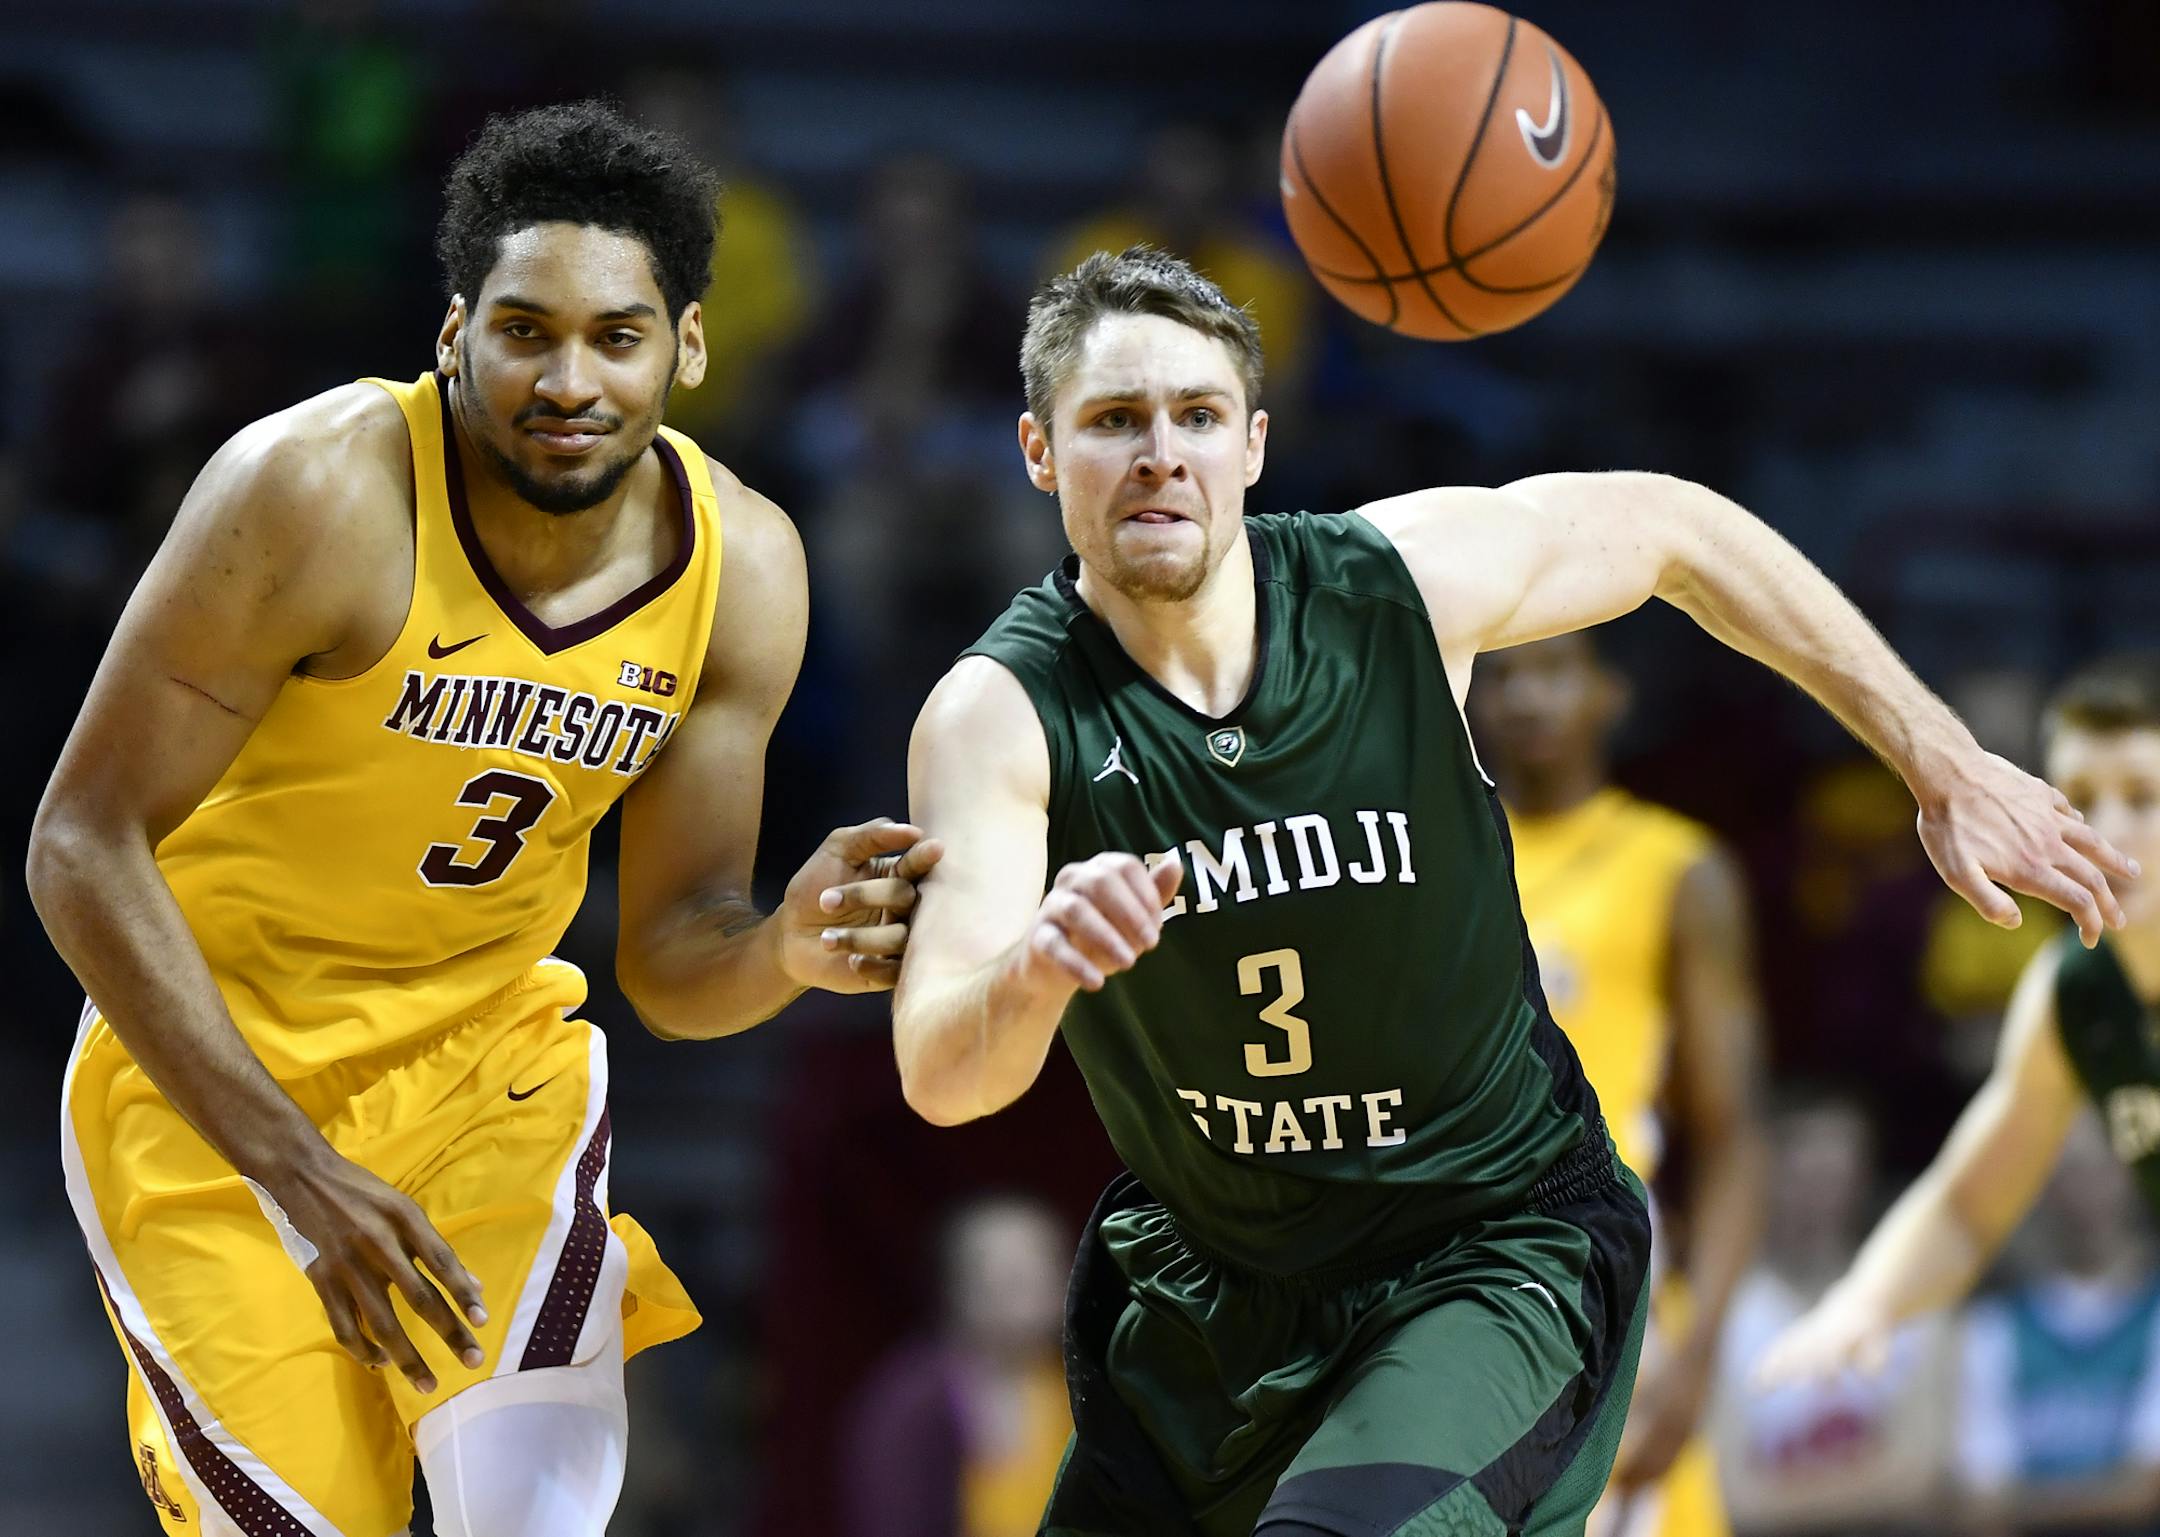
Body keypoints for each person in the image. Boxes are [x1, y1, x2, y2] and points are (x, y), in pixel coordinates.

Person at [889, 245, 2132, 1537]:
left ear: (1253, 444)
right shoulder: (1000, 715)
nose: (1161, 454)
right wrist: (1036, 964)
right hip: (1216, 1289)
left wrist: (1938, 758)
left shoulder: (1395, 587)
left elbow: (1676, 530)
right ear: (1039, 451)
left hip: (1486, 1251)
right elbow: (943, 1072)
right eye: (1113, 423)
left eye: (1195, 417)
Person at [27, 101, 937, 1537]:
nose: (567, 379)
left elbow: (677, 952)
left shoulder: (744, 566)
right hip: (211, 1085)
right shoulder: (316, 489)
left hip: (484, 1077)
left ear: (687, 346)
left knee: (532, 1515)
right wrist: (299, 1168)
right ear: (456, 332)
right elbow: (77, 843)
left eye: (616, 337)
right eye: (525, 330)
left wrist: (787, 950)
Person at [1757, 656, 2160, 1402]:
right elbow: (1971, 1203)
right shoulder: (2072, 987)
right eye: (2078, 799)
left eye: (2142, 796)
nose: (2107, 829)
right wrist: (1864, 1303)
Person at [1472, 634, 1770, 1537]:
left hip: (1611, 1282)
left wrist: (1701, 1351)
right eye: (1502, 675)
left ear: (1612, 692)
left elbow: (1734, 1135)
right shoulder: (1432, 862)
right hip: (1463, 1285)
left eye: (1556, 670)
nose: (1528, 698)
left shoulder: (1677, 867)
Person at [1712, 1094, 1958, 1536]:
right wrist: (1871, 1486)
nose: (1815, 1199)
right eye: (1799, 1176)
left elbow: (1922, 1479)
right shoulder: (1721, 1315)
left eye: (1832, 1176)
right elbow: (1727, 1496)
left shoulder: (1913, 1300)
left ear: (1863, 1177)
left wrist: (1779, 1497)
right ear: (1765, 1178)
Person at [1953, 1118, 2160, 1533]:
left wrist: (2020, 1505)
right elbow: (1977, 1503)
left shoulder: (2152, 1313)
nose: (2087, 1190)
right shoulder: (1993, 1324)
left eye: (2104, 1168)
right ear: (2039, 1187)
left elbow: (2144, 1490)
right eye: (2069, 1171)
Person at [843, 1196, 1075, 1537]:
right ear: (963, 1288)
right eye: (1015, 1278)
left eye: (1051, 1267)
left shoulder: (1083, 1385)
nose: (1043, 1290)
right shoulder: (912, 1405)